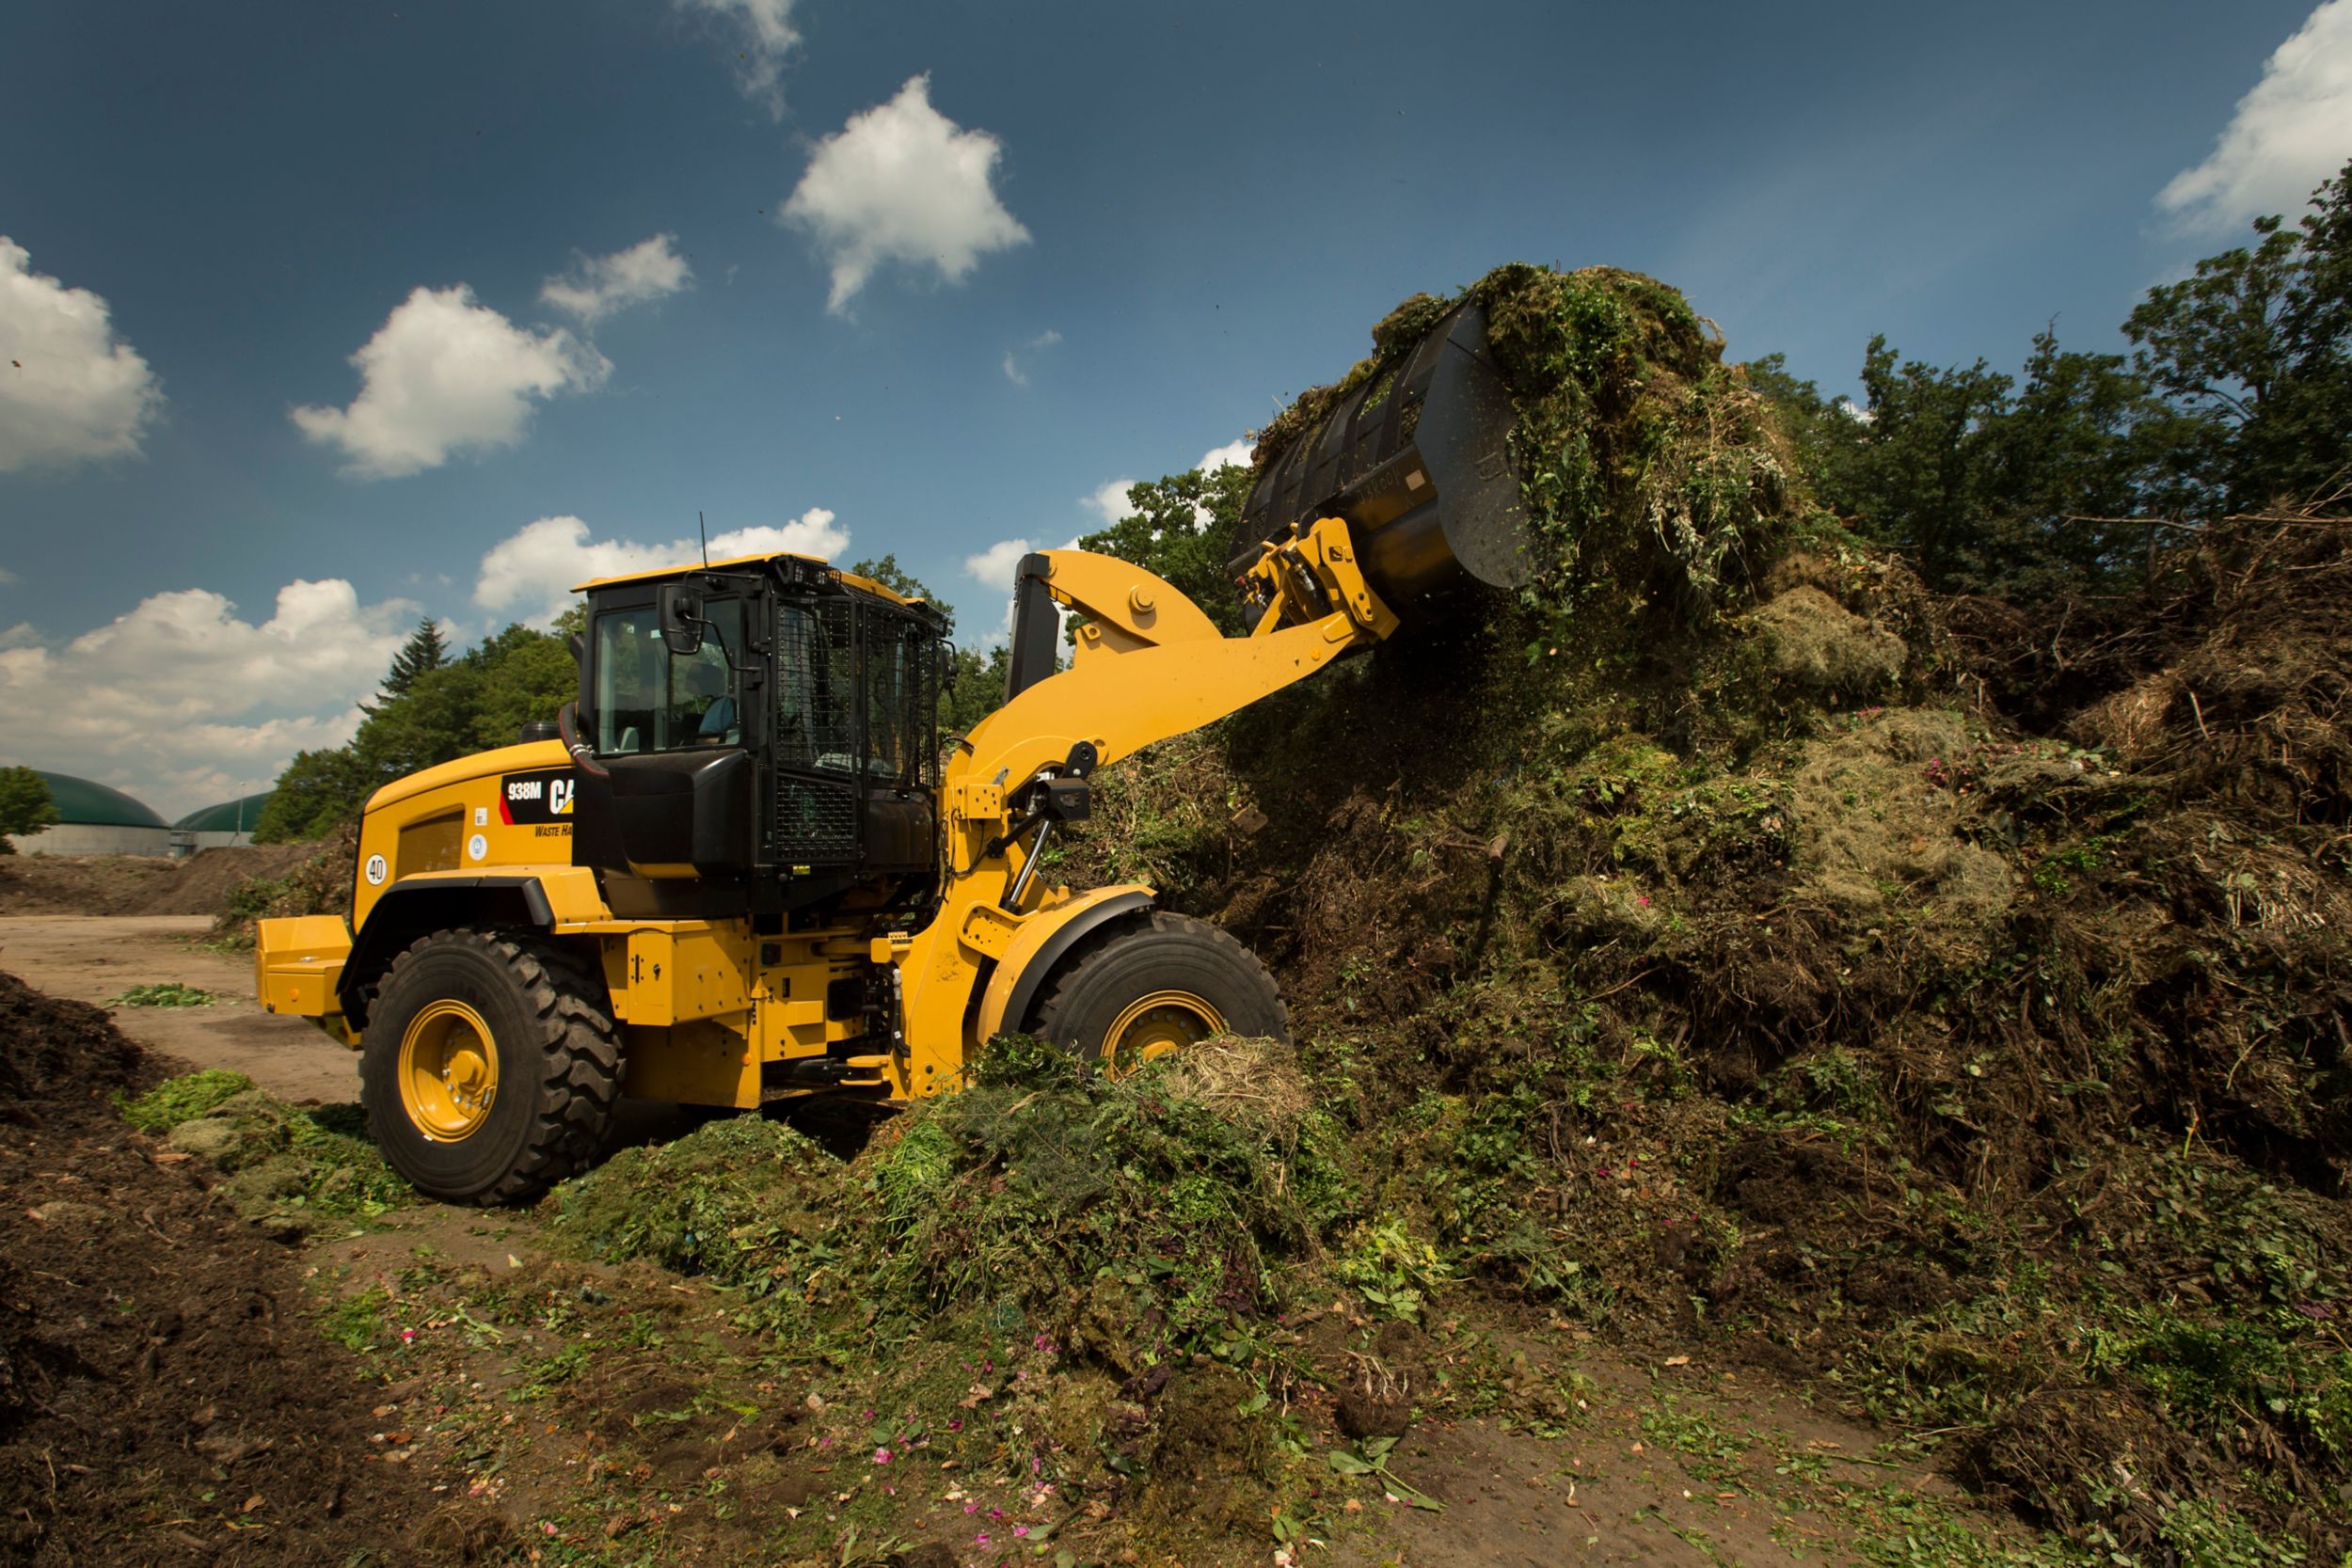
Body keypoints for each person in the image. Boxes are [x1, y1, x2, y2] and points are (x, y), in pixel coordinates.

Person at [683, 658, 737, 741]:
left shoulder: (722, 705)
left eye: (692, 679)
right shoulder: (720, 703)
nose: (686, 688)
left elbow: (706, 741)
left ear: (704, 682)